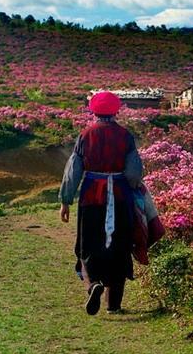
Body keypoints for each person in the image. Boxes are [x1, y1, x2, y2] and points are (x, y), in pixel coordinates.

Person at [59, 91, 143, 315]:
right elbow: (134, 173)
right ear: (116, 111)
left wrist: (65, 201)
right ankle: (113, 305)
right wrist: (134, 191)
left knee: (88, 245)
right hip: (120, 196)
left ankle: (93, 283)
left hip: (91, 198)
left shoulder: (86, 135)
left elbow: (73, 171)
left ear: (93, 110)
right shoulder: (126, 136)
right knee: (119, 246)